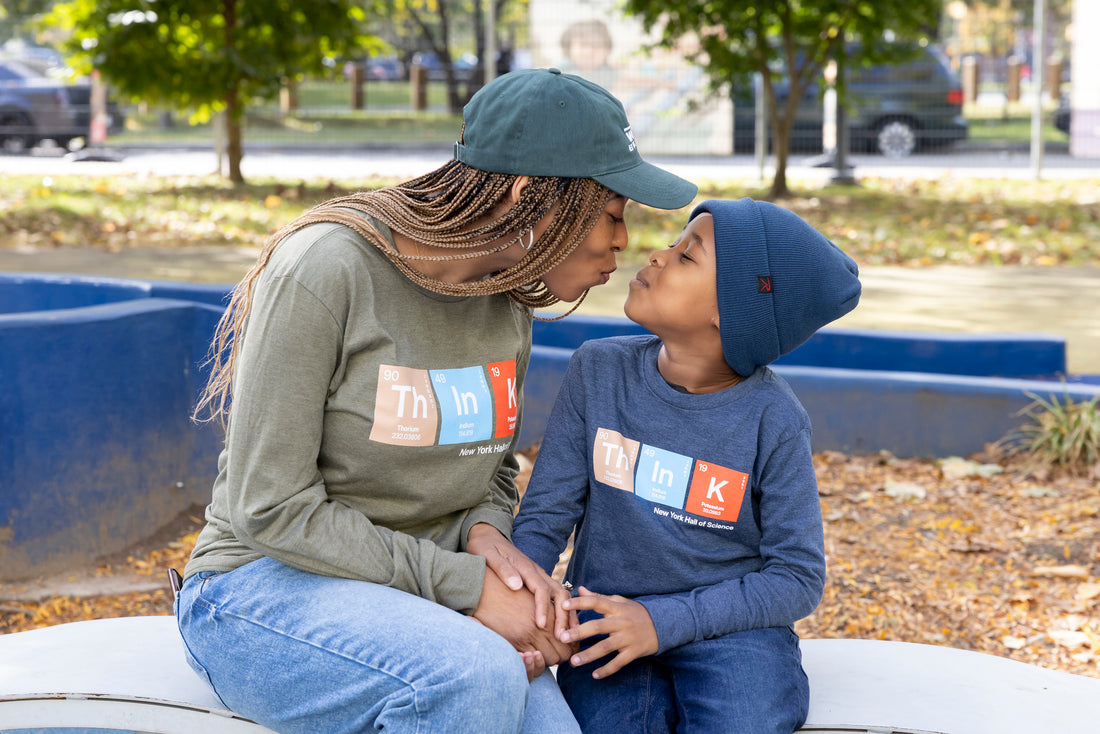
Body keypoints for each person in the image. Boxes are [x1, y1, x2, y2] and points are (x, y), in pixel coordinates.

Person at [173, 68, 697, 734]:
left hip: (420, 594)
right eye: (613, 214)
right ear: (528, 197)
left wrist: (485, 538)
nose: (623, 241)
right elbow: (269, 508)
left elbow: (491, 468)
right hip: (258, 590)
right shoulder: (327, 267)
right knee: (472, 676)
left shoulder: (504, 299)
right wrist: (467, 588)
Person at [511, 198, 862, 733]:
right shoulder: (598, 370)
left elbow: (797, 576)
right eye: (674, 243)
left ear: (732, 313)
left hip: (732, 631)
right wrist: (520, 616)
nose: (656, 254)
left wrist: (662, 621)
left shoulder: (775, 419)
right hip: (606, 622)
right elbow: (544, 517)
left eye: (686, 256)